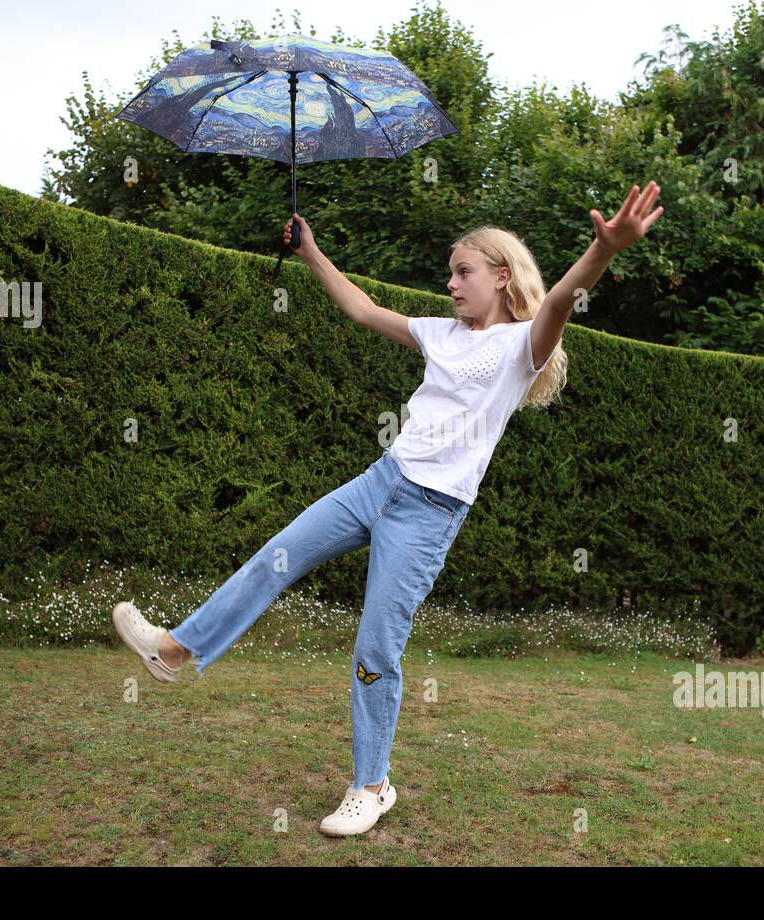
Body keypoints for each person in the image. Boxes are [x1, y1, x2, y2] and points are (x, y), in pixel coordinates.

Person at [113, 180, 664, 836]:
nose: (452, 285)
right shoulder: (441, 334)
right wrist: (312, 251)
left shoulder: (522, 347)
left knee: (376, 644)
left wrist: (603, 250)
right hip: (381, 481)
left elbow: (563, 300)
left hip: (429, 514)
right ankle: (177, 649)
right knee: (275, 555)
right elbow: (364, 310)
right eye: (450, 275)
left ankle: (371, 785)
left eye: (463, 273)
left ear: (500, 276)